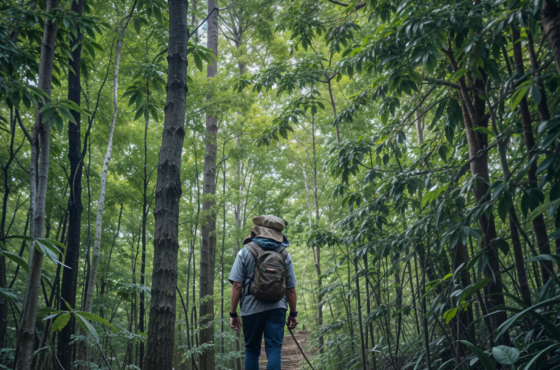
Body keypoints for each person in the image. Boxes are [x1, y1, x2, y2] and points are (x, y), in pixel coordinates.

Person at [228, 215, 298, 370]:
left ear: (258, 231)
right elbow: (291, 289)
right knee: (274, 350)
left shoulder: (245, 252)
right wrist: (293, 313)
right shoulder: (285, 254)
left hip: (251, 308)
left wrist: (233, 314)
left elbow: (237, 285)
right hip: (277, 308)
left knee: (252, 351)